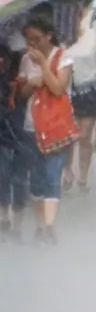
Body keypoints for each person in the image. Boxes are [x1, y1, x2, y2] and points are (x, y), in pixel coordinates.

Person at [18, 17, 77, 245]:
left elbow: (58, 88)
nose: (32, 45)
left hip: (56, 127)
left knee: (53, 175)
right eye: (28, 40)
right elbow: (22, 96)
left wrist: (43, 65)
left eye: (36, 39)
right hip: (32, 125)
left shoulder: (64, 57)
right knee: (35, 180)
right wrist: (29, 85)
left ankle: (49, 227)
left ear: (48, 36)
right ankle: (42, 225)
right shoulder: (25, 60)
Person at [62, 1, 96, 193]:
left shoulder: (92, 37)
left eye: (76, 15)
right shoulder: (62, 41)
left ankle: (84, 173)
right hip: (68, 93)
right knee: (69, 137)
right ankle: (68, 169)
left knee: (85, 135)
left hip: (90, 91)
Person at [0, 42, 29, 242]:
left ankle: (18, 220)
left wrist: (16, 89)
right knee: (2, 174)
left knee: (19, 179)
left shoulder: (19, 78)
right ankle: (3, 216)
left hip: (22, 134)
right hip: (2, 134)